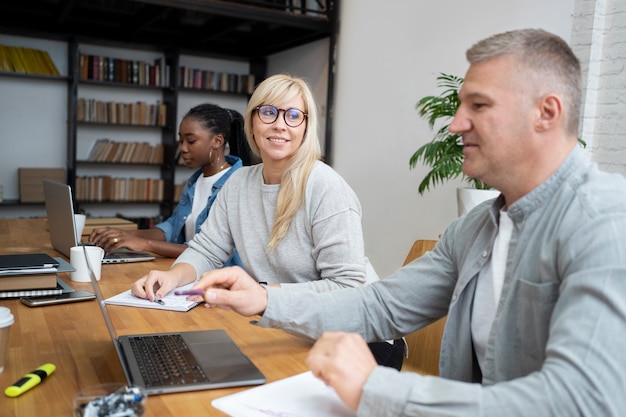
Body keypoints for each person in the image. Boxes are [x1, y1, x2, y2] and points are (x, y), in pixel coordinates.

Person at [180, 29, 626, 416]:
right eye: (460, 105)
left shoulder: (605, 220)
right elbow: (379, 306)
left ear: (546, 113)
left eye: (479, 105)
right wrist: (264, 301)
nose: (456, 124)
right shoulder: (476, 229)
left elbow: (583, 402)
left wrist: (377, 389)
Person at [131, 74, 405, 370]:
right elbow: (207, 249)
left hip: (360, 339)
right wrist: (173, 278)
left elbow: (347, 287)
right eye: (268, 112)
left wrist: (262, 294)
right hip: (290, 327)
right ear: (252, 122)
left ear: (306, 126)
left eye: (294, 115)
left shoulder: (325, 186)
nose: (280, 124)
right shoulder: (237, 184)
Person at [89, 103, 250, 258]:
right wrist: (122, 235)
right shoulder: (195, 182)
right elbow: (172, 227)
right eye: (181, 141)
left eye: (191, 141)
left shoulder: (238, 185)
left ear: (217, 141)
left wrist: (145, 244)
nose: (182, 148)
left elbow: (209, 251)